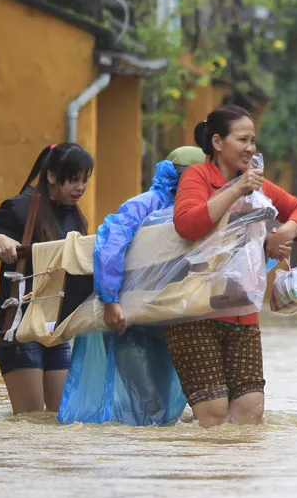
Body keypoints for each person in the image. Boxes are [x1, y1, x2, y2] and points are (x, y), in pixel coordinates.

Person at [165, 105, 297, 428]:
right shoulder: (197, 176)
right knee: (214, 414)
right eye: (243, 140)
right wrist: (237, 188)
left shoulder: (258, 184)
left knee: (250, 412)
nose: (251, 148)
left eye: (253, 141)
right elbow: (187, 225)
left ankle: (241, 476)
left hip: (241, 310)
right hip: (194, 312)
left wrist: (283, 234)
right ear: (218, 142)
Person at [57, 146, 208, 426]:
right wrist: (111, 299)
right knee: (149, 405)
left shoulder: (205, 211)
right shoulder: (145, 205)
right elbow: (109, 246)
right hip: (131, 323)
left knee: (168, 411)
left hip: (172, 323)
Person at [0, 143, 94, 414]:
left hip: (54, 330)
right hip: (20, 329)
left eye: (85, 180)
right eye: (74, 179)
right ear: (51, 176)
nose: (80, 187)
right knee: (31, 422)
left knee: (63, 420)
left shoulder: (76, 217)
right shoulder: (20, 208)